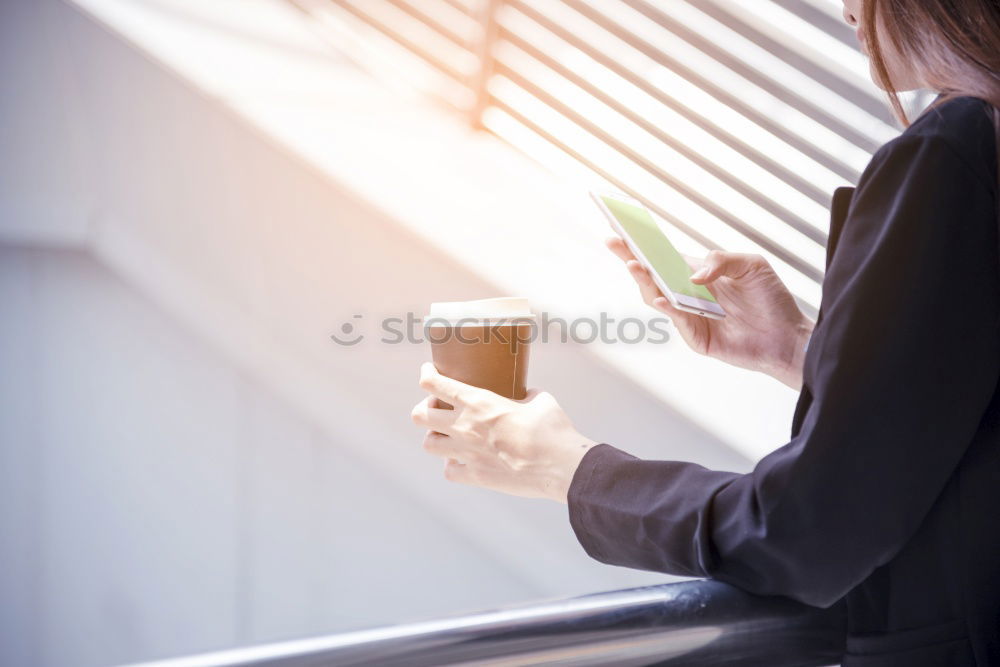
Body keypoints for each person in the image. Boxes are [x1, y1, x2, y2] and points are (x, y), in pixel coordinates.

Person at [411, 0, 1000, 663]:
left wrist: (569, 468)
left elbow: (807, 528)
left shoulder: (956, 150)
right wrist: (797, 347)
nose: (845, 13)